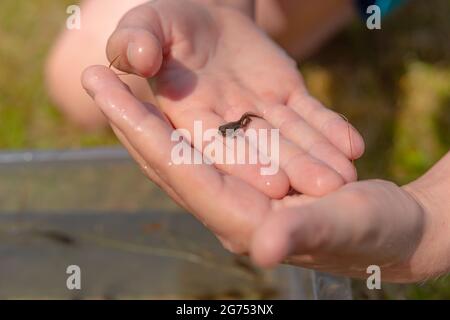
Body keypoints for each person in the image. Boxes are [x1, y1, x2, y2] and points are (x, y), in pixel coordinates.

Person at [48, 0, 450, 283]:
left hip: (241, 122)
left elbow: (238, 126)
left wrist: (431, 219)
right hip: (237, 102)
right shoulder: (234, 126)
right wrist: (222, 9)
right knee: (76, 73)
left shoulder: (236, 127)